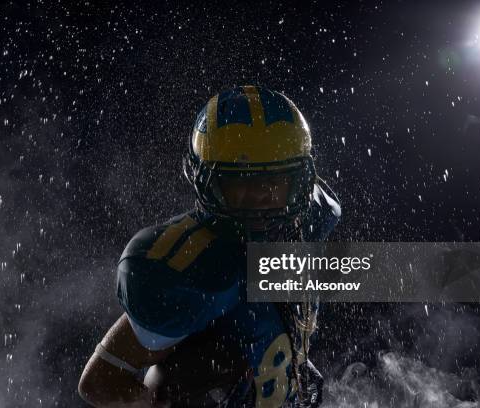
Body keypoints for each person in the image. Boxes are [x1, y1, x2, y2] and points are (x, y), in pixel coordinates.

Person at [78, 85, 341, 407]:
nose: (260, 196)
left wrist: (286, 364)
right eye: (240, 181)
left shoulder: (311, 218)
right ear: (205, 180)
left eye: (275, 181)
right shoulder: (193, 267)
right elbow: (100, 382)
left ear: (302, 180)